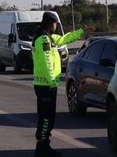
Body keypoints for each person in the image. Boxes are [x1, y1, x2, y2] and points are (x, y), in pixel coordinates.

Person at [31, 12, 84, 157]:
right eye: (55, 23)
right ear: (50, 23)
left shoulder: (48, 37)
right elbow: (47, 62)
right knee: (46, 117)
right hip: (46, 86)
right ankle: (41, 148)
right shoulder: (43, 39)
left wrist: (81, 32)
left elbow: (64, 39)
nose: (55, 26)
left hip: (48, 85)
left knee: (49, 116)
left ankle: (44, 146)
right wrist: (51, 81)